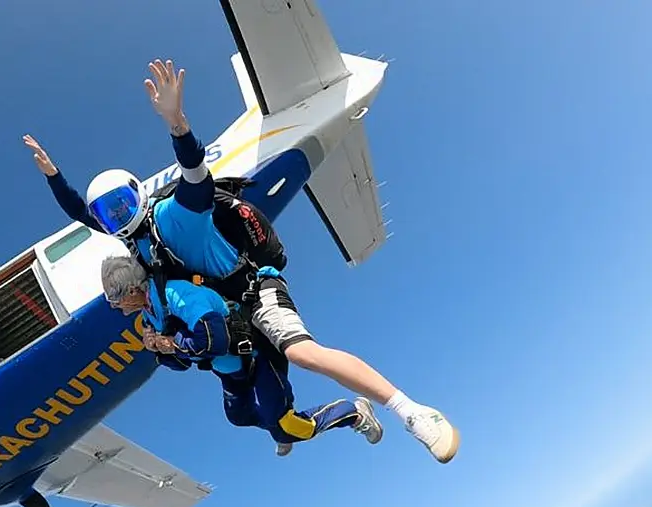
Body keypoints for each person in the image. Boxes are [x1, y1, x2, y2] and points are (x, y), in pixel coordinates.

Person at [24, 58, 459, 464]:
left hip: (256, 288)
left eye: (120, 206)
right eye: (108, 214)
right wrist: (53, 178)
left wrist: (177, 124)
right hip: (231, 315)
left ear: (137, 195)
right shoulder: (138, 251)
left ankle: (411, 411)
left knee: (303, 352)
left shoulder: (174, 214)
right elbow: (82, 214)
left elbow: (195, 176)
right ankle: (283, 424)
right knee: (245, 414)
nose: (115, 218)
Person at [100, 253, 382, 456]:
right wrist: (158, 351)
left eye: (115, 299)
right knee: (239, 415)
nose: (115, 307)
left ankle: (352, 412)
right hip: (230, 370)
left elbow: (214, 339)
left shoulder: (175, 294)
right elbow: (183, 363)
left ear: (133, 290)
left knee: (289, 427)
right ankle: (276, 423)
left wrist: (170, 343)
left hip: (257, 356)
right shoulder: (151, 316)